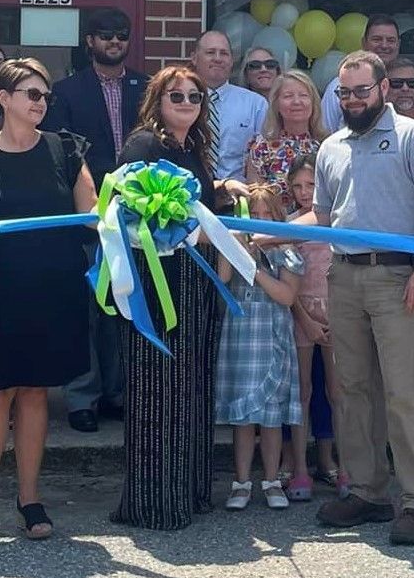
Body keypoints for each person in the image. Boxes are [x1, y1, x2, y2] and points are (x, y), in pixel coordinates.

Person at [300, 51, 414, 546]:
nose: (352, 100)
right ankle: (365, 490)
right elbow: (323, 217)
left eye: (361, 90)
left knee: (403, 393)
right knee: (352, 390)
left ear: (383, 88)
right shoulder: (332, 147)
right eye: (344, 92)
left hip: (396, 278)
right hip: (344, 276)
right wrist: (265, 236)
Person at [0, 59, 97, 548]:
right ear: (4, 98)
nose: (39, 102)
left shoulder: (66, 151)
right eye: (30, 93)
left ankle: (30, 499)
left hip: (51, 292)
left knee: (35, 395)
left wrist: (141, 207)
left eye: (44, 95)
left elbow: (93, 215)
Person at [113, 65, 251, 530]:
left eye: (195, 97)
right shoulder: (144, 146)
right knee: (159, 386)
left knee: (191, 384)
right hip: (157, 284)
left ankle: (188, 491)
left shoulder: (193, 148)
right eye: (178, 96)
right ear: (158, 99)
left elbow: (199, 208)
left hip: (195, 282)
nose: (188, 103)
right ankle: (155, 500)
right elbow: (133, 215)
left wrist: (222, 189)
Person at [45, 7, 147, 434]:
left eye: (121, 35)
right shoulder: (65, 92)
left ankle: (117, 393)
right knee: (89, 307)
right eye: (105, 35)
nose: (114, 42)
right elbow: (61, 152)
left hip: (141, 212)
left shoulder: (146, 87)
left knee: (123, 304)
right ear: (89, 41)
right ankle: (83, 397)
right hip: (88, 213)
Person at [216, 182, 304, 511]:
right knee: (243, 418)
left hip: (273, 339)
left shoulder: (288, 253)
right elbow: (223, 278)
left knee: (270, 418)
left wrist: (254, 269)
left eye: (267, 214)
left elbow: (287, 295)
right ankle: (241, 482)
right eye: (253, 213)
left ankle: (270, 480)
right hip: (241, 339)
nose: (260, 219)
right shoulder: (237, 249)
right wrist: (233, 247)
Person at [285, 154, 343, 498]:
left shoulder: (339, 222)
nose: (305, 192)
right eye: (297, 186)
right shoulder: (289, 226)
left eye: (311, 185)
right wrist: (304, 318)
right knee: (302, 392)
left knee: (339, 393)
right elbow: (286, 278)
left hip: (337, 312)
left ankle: (345, 466)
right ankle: (300, 470)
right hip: (301, 314)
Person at [319, 15, 414, 133]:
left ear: (398, 44)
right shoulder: (340, 86)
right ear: (364, 43)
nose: (384, 45)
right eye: (377, 39)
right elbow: (325, 132)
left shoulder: (413, 85)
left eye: (391, 40)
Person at [190, 31, 268, 181]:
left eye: (224, 53)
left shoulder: (255, 105)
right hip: (190, 194)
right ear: (194, 58)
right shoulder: (182, 102)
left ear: (232, 60)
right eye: (210, 52)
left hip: (239, 196)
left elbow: (264, 158)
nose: (218, 58)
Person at [245, 69, 326, 211]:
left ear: (313, 102)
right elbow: (256, 202)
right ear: (276, 104)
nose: (297, 101)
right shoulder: (261, 148)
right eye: (288, 96)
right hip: (277, 230)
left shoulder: (327, 146)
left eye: (303, 95)